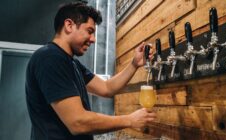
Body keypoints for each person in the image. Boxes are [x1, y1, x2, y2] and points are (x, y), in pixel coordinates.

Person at [25, 2, 156, 140]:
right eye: (89, 31)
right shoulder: (50, 58)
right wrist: (129, 120)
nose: (93, 39)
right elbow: (78, 122)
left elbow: (107, 88)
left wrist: (134, 64)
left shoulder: (71, 63)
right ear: (69, 25)